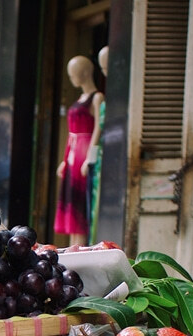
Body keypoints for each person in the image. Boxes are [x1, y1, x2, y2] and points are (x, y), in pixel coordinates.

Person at [54, 56, 101, 246]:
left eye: (74, 73)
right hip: (73, 154)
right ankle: (74, 246)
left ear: (86, 72)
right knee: (71, 202)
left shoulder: (97, 98)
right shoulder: (80, 98)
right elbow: (71, 132)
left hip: (83, 154)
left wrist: (90, 157)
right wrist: (65, 160)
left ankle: (80, 247)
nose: (72, 77)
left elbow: (99, 126)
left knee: (80, 203)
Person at [85, 47, 108, 243]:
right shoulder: (104, 99)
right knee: (94, 205)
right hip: (98, 156)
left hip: (106, 155)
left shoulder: (101, 98)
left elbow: (97, 129)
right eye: (102, 66)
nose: (105, 69)